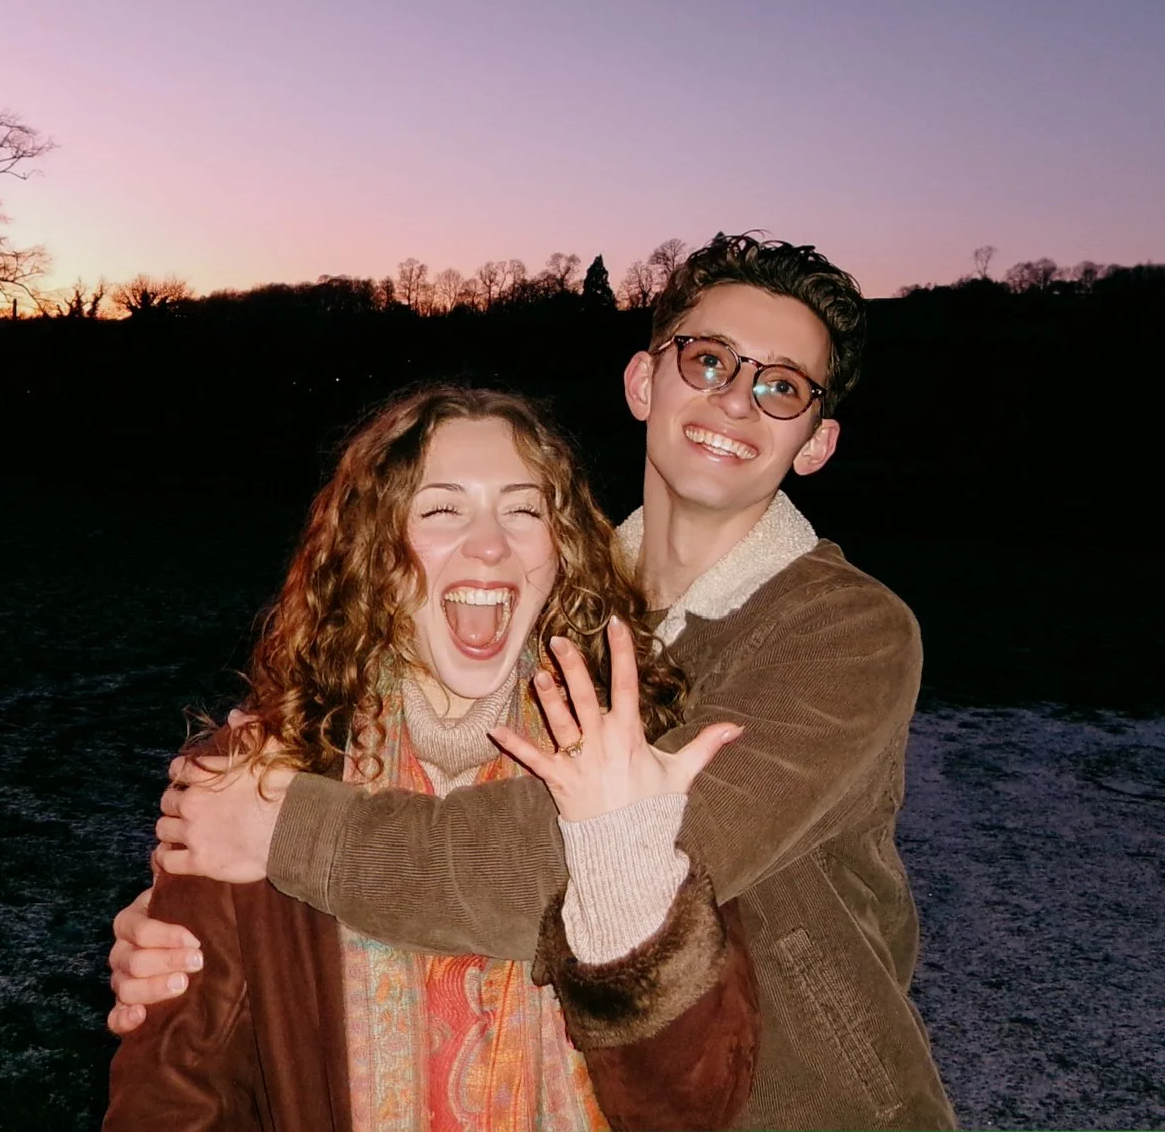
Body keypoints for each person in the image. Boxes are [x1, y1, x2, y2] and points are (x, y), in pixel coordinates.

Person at [111, 234, 957, 1131]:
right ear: (644, 382)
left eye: (781, 385)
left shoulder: (845, 631)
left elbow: (608, 860)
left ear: (817, 441)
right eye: (709, 360)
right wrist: (204, 918)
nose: (737, 401)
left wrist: (285, 834)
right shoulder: (569, 608)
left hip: (810, 1105)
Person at [103, 385, 758, 1132]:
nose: (490, 544)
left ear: (561, 548)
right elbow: (178, 1094)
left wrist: (625, 875)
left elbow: (699, 1105)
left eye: (523, 509)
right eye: (442, 509)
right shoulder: (254, 782)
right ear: (375, 551)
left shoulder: (629, 760)